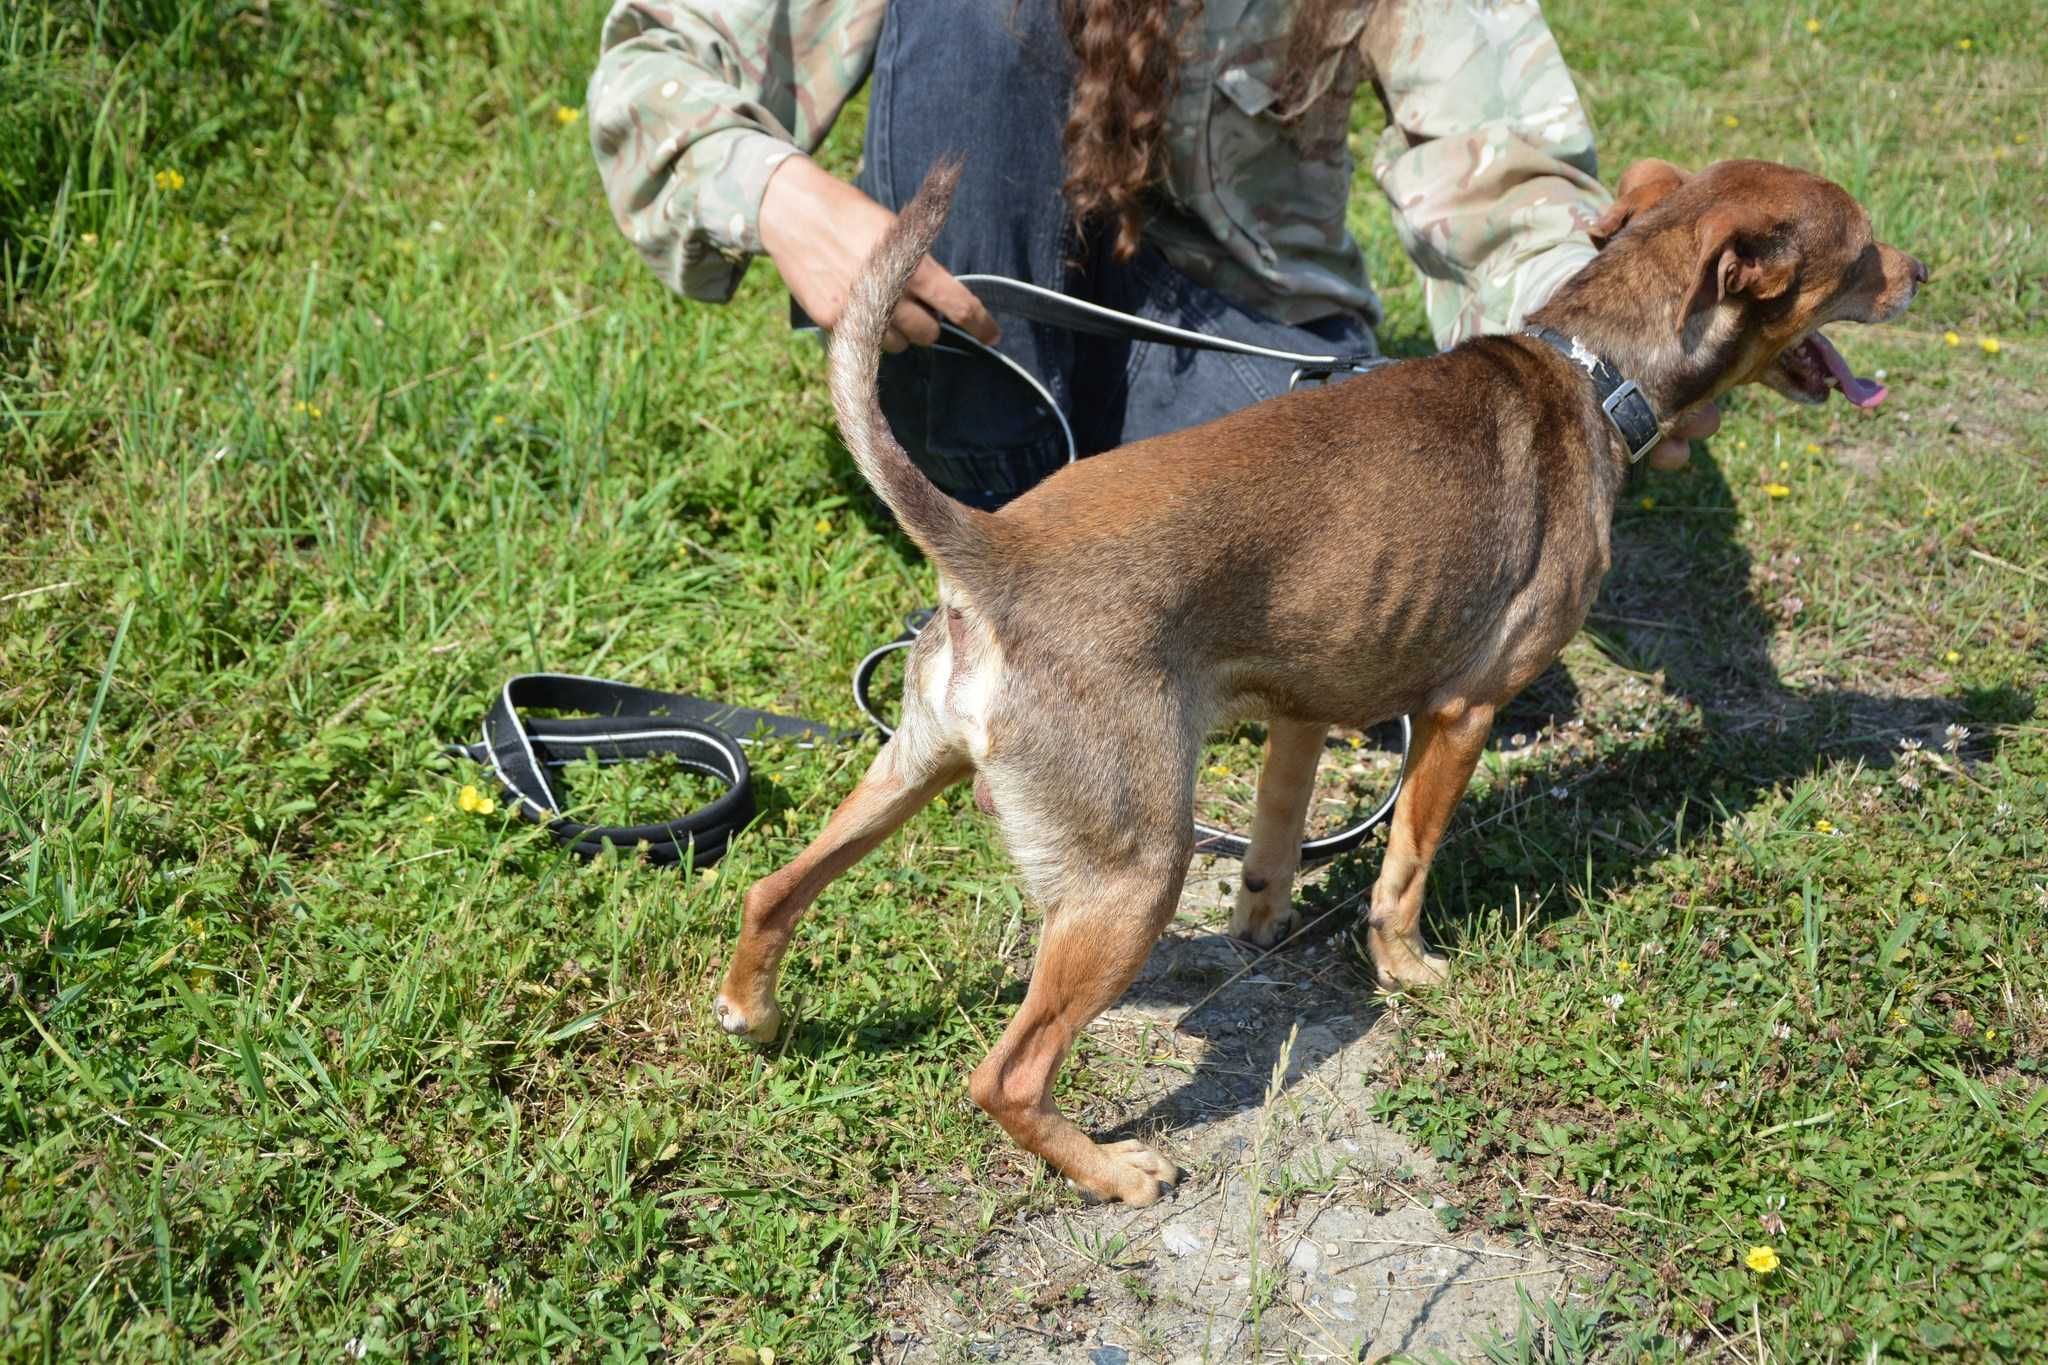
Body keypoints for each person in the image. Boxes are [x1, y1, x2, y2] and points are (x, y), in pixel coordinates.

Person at [588, 0, 1710, 510]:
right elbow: (656, 66)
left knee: (1434, 588)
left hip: (1241, 372)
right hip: (987, 372)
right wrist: (781, 197)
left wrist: (1612, 358)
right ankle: (1011, 546)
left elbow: (1501, 168)